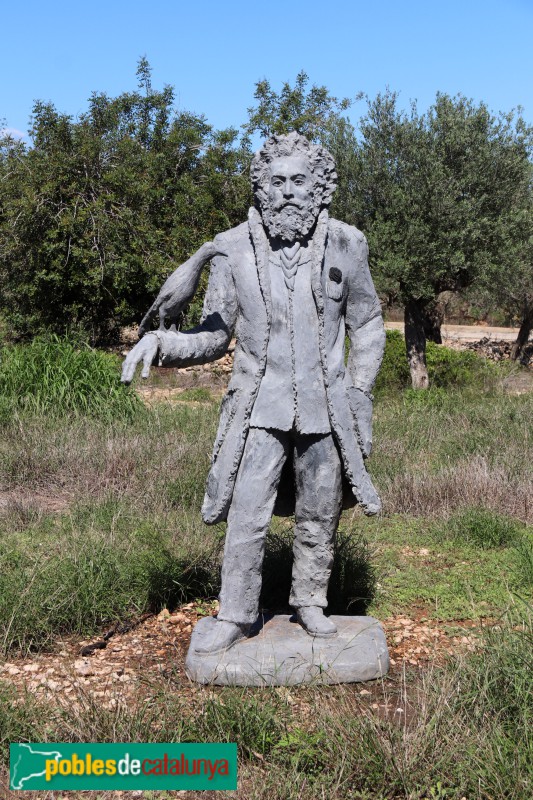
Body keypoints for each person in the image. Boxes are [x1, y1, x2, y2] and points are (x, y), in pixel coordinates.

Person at [122, 132, 386, 654]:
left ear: (318, 188)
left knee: (320, 510)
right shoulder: (231, 249)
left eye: (298, 181)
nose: (287, 192)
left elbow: (370, 322)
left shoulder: (347, 244)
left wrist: (358, 390)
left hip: (326, 408)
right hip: (258, 409)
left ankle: (310, 601)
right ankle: (237, 612)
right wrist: (160, 341)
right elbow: (214, 337)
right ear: (262, 188)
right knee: (246, 513)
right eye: (276, 181)